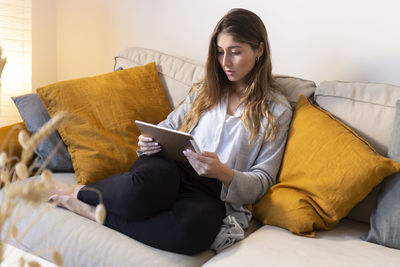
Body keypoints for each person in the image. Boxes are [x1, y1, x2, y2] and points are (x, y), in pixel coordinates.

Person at [50, 8, 292, 255]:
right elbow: (168, 127)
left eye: (235, 52)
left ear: (259, 50)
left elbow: (263, 178)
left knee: (190, 233)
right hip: (169, 167)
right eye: (220, 52)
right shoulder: (206, 90)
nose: (225, 62)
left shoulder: (277, 110)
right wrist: (148, 140)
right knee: (143, 193)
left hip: (213, 190)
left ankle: (92, 212)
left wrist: (225, 173)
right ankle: (77, 191)